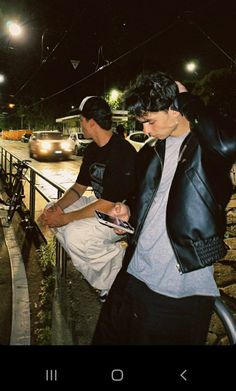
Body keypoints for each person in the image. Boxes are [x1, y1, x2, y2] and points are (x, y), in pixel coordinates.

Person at [92, 71, 236, 344]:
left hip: (178, 287)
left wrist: (187, 99)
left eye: (150, 121)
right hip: (133, 274)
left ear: (174, 110)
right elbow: (145, 201)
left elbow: (229, 142)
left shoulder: (207, 148)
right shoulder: (150, 151)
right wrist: (128, 211)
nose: (145, 130)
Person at [39, 96, 136, 301]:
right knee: (51, 208)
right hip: (101, 207)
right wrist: (56, 210)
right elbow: (78, 188)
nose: (80, 124)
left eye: (81, 120)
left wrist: (66, 219)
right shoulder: (92, 150)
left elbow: (109, 203)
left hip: (121, 218)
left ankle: (112, 281)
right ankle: (103, 258)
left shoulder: (122, 151)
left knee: (75, 234)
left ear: (91, 122)